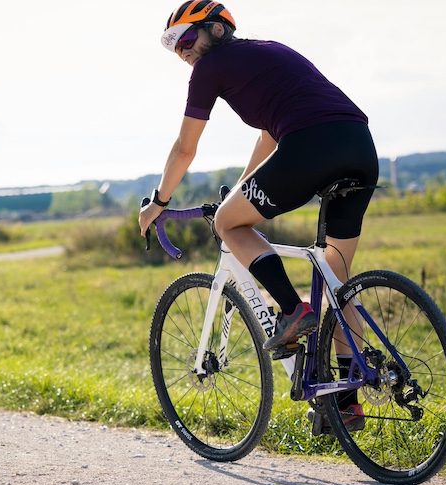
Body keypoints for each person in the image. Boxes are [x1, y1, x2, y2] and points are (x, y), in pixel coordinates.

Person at [138, 1, 379, 429]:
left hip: (311, 145)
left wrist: (159, 201)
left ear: (215, 29)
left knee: (228, 223)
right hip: (359, 146)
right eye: (176, 49)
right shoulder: (269, 51)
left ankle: (292, 310)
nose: (185, 53)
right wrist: (240, 188)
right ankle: (345, 402)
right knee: (337, 283)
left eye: (188, 39)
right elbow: (270, 135)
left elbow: (185, 148)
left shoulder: (210, 69)